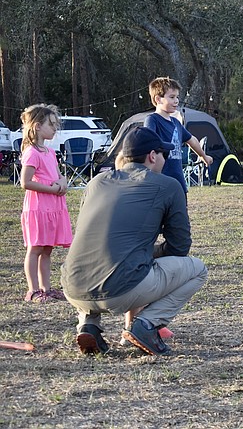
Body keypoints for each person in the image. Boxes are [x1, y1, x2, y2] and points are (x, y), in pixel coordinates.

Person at [61, 127, 208, 356]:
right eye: (164, 154)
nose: (165, 160)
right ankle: (146, 325)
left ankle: (89, 325)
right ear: (152, 156)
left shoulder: (96, 182)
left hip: (72, 287)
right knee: (198, 269)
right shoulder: (168, 185)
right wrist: (149, 252)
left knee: (98, 255)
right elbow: (180, 246)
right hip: (122, 288)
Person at [19, 104, 73, 303]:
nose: (54, 128)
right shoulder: (31, 152)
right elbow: (26, 182)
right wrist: (52, 189)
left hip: (53, 207)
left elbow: (60, 176)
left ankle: (46, 288)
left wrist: (62, 184)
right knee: (35, 247)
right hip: (38, 207)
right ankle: (33, 290)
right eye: (50, 124)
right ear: (37, 126)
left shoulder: (50, 153)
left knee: (47, 248)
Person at [144, 76, 213, 193]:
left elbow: (192, 140)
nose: (176, 101)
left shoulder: (176, 123)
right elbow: (147, 141)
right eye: (171, 97)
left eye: (177, 97)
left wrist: (203, 156)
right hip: (160, 180)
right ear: (158, 99)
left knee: (181, 210)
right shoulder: (152, 120)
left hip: (178, 179)